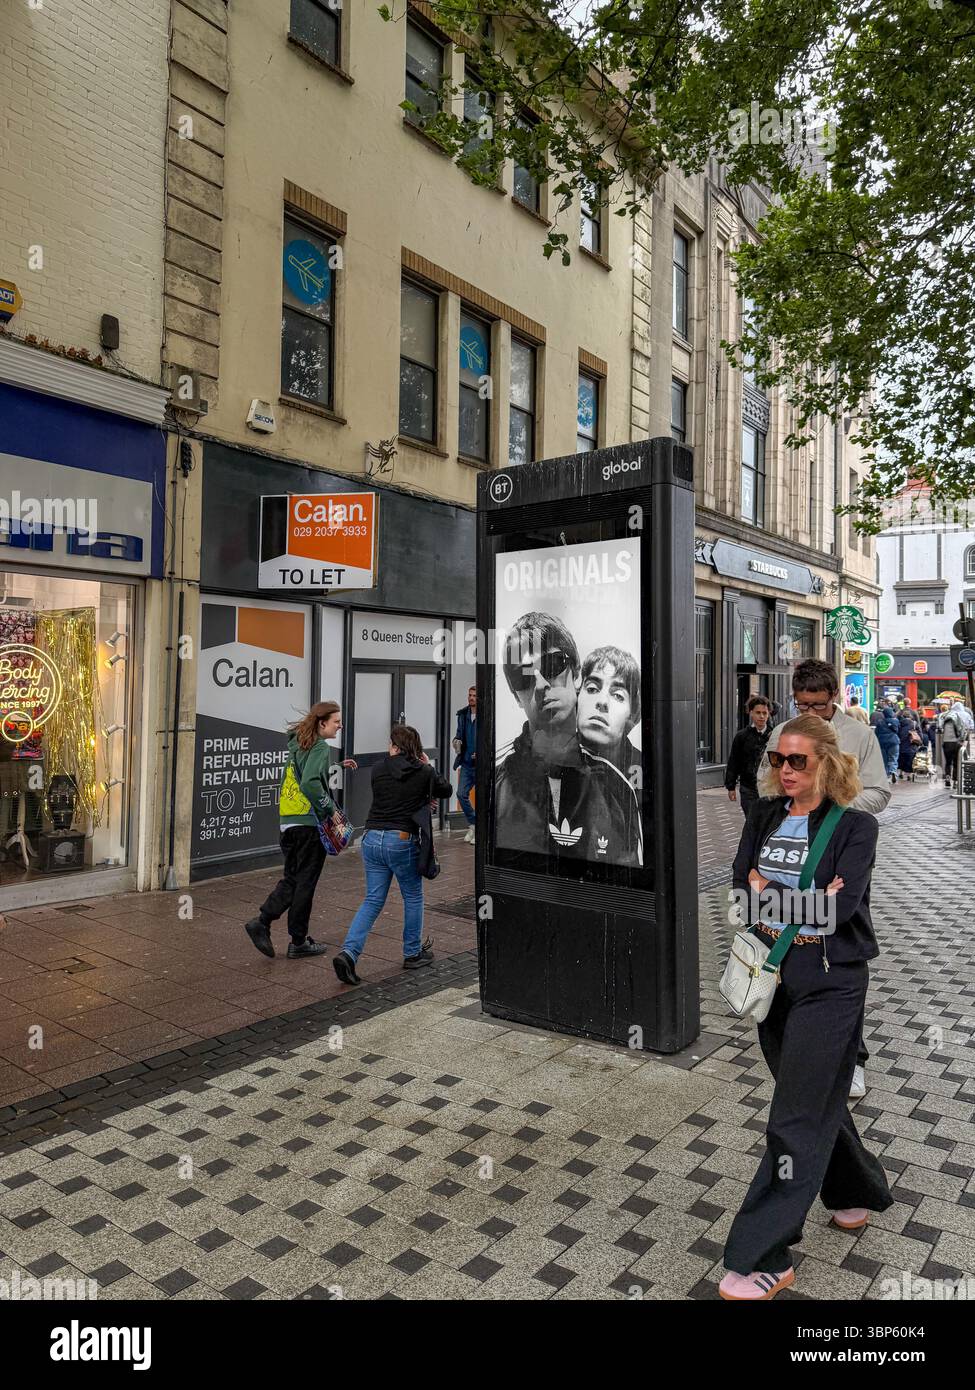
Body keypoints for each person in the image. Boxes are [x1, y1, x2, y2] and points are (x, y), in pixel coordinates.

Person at [719, 715, 893, 1299]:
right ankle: (853, 1190)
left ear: (828, 761)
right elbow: (738, 890)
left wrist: (774, 893)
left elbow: (838, 916)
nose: (785, 771)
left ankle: (761, 1252)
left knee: (794, 1114)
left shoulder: (854, 827)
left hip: (832, 984)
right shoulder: (764, 815)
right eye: (777, 760)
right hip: (772, 977)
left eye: (798, 760)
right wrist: (799, 898)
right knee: (815, 1098)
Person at [760, 660, 891, 1099]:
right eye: (801, 705)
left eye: (818, 705)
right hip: (792, 853)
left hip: (839, 853)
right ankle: (796, 1039)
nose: (810, 713)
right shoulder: (786, 732)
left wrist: (837, 813)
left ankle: (853, 1057)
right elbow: (770, 784)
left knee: (839, 943)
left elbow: (879, 791)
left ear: (834, 696)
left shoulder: (860, 735)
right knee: (796, 944)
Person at [495, 612, 642, 867]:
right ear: (516, 696)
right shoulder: (496, 781)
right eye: (523, 676)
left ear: (576, 674)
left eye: (552, 665)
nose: (541, 685)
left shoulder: (616, 786)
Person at [333, 724, 452, 985]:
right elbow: (446, 790)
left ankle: (349, 953)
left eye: (391, 743)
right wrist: (426, 766)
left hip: (372, 838)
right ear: (415, 749)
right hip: (401, 840)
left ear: (396, 746)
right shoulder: (423, 771)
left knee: (373, 900)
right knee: (412, 896)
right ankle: (412, 953)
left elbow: (394, 794)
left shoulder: (378, 769)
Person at [244, 701, 357, 960]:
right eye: (336, 721)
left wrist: (334, 768)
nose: (340, 725)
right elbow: (309, 782)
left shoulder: (299, 743)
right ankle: (297, 941)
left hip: (289, 821)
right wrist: (331, 810)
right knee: (305, 881)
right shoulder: (319, 746)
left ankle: (262, 922)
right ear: (322, 723)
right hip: (308, 824)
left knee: (293, 878)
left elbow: (305, 772)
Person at [576, 644, 642, 777]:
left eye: (618, 696)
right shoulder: (553, 761)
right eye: (592, 689)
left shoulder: (642, 768)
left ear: (632, 713)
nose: (602, 701)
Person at [724, 695, 773, 819]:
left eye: (764, 713)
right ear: (751, 713)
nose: (762, 716)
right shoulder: (742, 736)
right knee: (752, 821)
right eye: (758, 713)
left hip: (769, 787)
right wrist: (731, 786)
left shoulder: (774, 735)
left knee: (767, 822)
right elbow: (734, 761)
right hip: (748, 788)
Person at [452, 686, 477, 844]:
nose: (471, 698)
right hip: (467, 763)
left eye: (474, 695)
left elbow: (491, 738)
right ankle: (474, 824)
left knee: (484, 798)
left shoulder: (487, 714)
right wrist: (456, 742)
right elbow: (458, 735)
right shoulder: (462, 714)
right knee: (461, 794)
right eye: (470, 695)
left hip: (481, 765)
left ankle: (479, 828)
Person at [939, 700, 973, 788]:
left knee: (948, 762)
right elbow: (970, 727)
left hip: (946, 742)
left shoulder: (946, 715)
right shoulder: (966, 715)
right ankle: (955, 781)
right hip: (958, 742)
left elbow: (939, 727)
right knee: (957, 762)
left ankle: (947, 778)